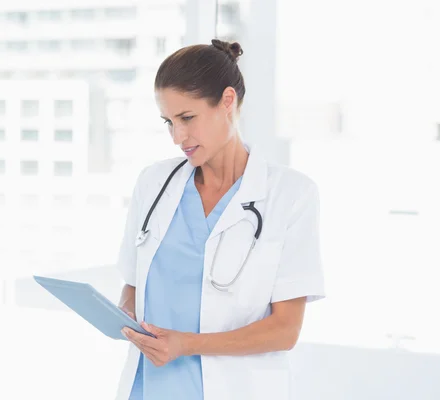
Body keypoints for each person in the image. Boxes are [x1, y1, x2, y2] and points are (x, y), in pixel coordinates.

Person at [114, 38, 325, 400]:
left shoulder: (291, 195)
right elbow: (133, 288)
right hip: (150, 388)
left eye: (187, 118)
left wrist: (185, 344)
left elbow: (284, 330)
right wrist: (124, 319)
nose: (178, 137)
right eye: (168, 122)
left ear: (227, 101)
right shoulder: (153, 184)